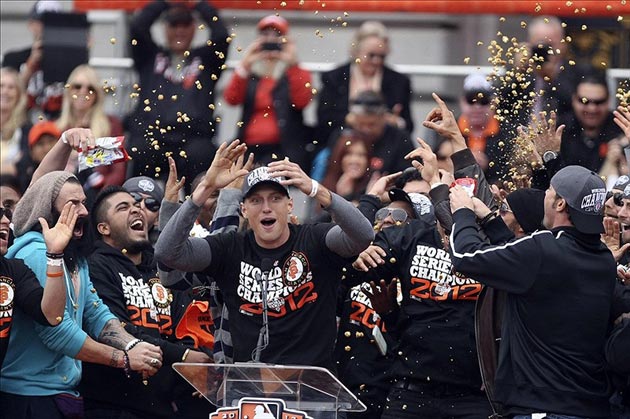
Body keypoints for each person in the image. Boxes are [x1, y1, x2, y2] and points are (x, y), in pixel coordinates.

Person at [155, 140, 374, 368]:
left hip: (312, 390)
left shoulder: (315, 239)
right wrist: (205, 189)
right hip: (248, 390)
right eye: (256, 200)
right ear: (244, 209)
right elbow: (167, 253)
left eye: (275, 198)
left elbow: (363, 235)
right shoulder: (230, 247)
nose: (266, 207)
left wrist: (316, 189)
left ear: (290, 205)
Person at [449, 165, 616, 418]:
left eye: (549, 192)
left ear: (560, 204)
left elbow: (465, 256)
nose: (544, 198)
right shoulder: (604, 259)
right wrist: (490, 219)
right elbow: (524, 263)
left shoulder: (543, 248)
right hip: (589, 406)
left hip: (543, 407)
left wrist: (462, 213)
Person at [1, 169, 162, 419]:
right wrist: (124, 359)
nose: (84, 212)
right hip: (28, 399)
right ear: (48, 210)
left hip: (60, 393)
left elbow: (96, 312)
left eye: (84, 203)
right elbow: (58, 332)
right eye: (73, 204)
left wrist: (134, 345)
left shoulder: (75, 256)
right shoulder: (36, 252)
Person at [83, 185, 212, 418]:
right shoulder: (95, 266)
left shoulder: (162, 269)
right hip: (113, 406)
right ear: (104, 228)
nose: (137, 210)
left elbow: (186, 324)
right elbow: (115, 328)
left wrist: (198, 361)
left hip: (164, 406)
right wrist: (183, 356)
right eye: (124, 208)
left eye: (138, 205)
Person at [126, 0, 229, 189]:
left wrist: (198, 4)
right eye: (174, 25)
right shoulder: (149, 56)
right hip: (152, 136)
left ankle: (197, 213)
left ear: (195, 29)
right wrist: (165, 2)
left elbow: (222, 35)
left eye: (185, 25)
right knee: (138, 150)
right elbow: (138, 26)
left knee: (203, 155)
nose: (179, 31)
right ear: (165, 28)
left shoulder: (207, 60)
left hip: (193, 138)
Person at [223, 15, 313, 168]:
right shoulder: (251, 73)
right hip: (249, 146)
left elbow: (301, 101)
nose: (271, 41)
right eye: (265, 35)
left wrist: (292, 63)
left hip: (284, 147)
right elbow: (231, 99)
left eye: (277, 36)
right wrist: (245, 63)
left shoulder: (294, 72)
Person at [0, 199, 73, 367]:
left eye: (7, 214)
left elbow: (52, 316)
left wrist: (55, 255)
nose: (6, 221)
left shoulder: (14, 270)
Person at [317, 20, 413, 143]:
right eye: (371, 55)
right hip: (343, 143)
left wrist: (396, 122)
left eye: (382, 56)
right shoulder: (334, 77)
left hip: (384, 144)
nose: (377, 61)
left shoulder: (399, 81)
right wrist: (348, 119)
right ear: (356, 52)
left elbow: (408, 125)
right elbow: (323, 120)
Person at [312, 90, 414, 181]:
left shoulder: (400, 139)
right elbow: (331, 173)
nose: (366, 130)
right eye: (361, 124)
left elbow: (408, 175)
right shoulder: (342, 136)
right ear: (353, 119)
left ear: (384, 118)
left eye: (371, 124)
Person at [56, 64, 126, 192]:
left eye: (90, 88)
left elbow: (118, 173)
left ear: (97, 95)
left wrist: (99, 198)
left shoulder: (111, 125)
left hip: (97, 196)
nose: (83, 91)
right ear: (68, 91)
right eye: (77, 86)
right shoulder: (56, 128)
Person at [2, 0, 66, 121]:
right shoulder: (13, 58)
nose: (48, 27)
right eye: (43, 21)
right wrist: (31, 64)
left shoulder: (69, 60)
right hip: (20, 124)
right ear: (31, 24)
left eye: (54, 22)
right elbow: (6, 96)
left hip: (59, 127)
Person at [559, 72, 623, 172]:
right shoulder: (559, 129)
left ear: (608, 101)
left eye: (598, 102)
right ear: (574, 99)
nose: (592, 109)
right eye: (584, 101)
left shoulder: (621, 128)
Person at [455, 73, 512, 184]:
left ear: (494, 103)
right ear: (462, 102)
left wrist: (490, 167)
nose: (477, 107)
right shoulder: (446, 131)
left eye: (484, 101)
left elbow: (513, 171)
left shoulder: (508, 132)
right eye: (471, 101)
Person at [321, 131, 373, 202]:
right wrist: (342, 197)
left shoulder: (372, 188)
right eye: (349, 154)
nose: (354, 160)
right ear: (339, 157)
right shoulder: (324, 188)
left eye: (361, 155)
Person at [0, 67, 30, 177]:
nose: (5, 91)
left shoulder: (26, 130)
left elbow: (23, 166)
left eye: (11, 87)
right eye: (1, 86)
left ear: (18, 95)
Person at [123, 176, 164, 245]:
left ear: (157, 219)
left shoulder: (160, 253)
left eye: (151, 204)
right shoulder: (99, 249)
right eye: (135, 198)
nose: (141, 206)